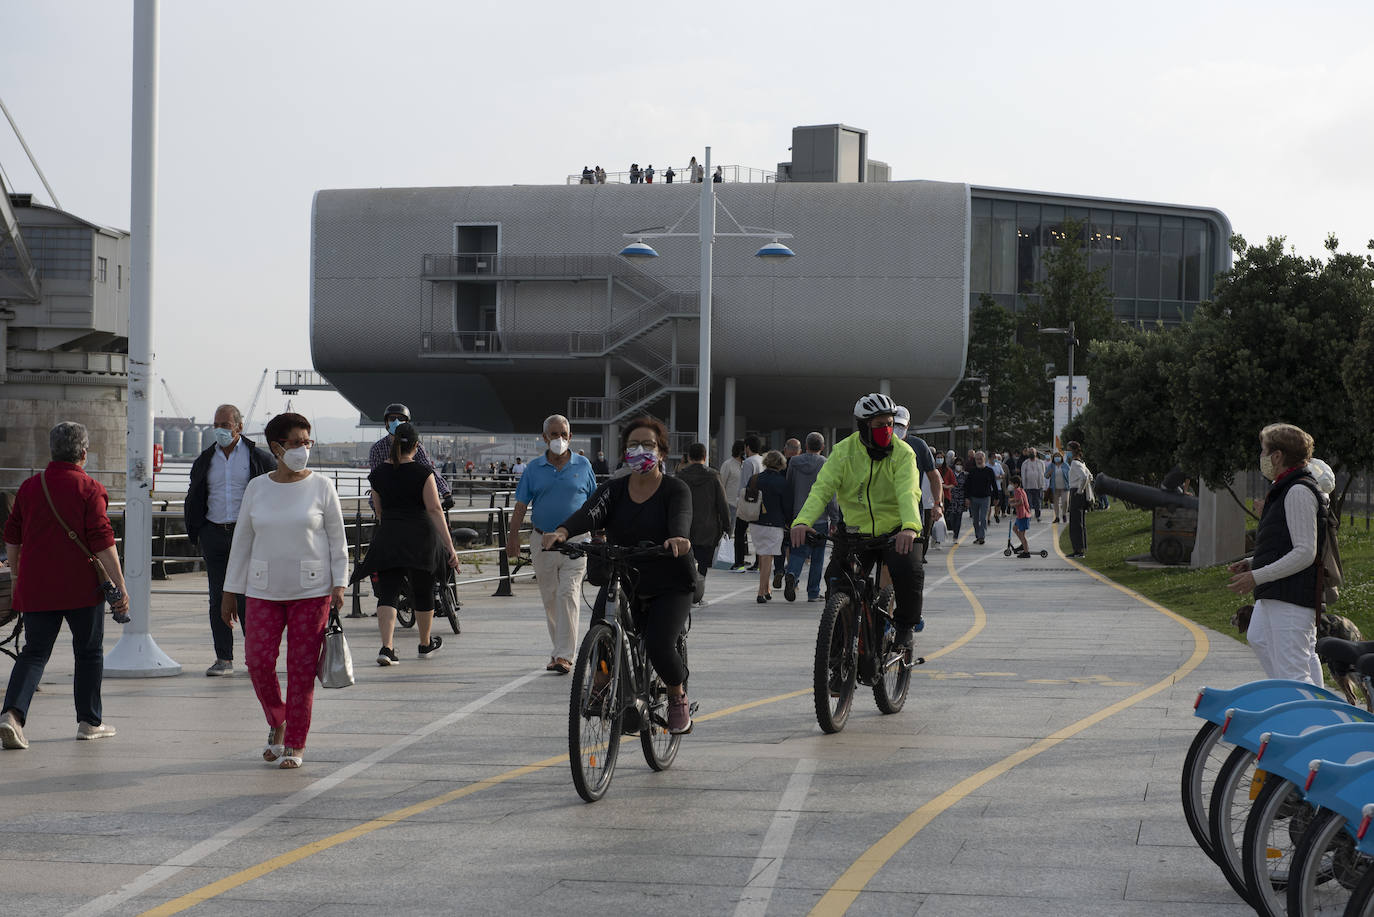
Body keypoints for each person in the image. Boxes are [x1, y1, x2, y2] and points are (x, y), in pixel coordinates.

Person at [542, 416, 696, 734]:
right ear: (625, 452)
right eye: (633, 445)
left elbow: (681, 517)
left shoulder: (674, 489)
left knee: (658, 643)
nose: (640, 451)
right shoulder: (613, 491)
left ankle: (677, 696)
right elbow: (590, 512)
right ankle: (601, 683)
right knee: (601, 632)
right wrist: (562, 531)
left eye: (648, 445)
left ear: (662, 453)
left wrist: (678, 538)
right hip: (624, 576)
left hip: (669, 581)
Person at [222, 413, 349, 770]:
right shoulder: (257, 487)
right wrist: (229, 591)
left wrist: (340, 583)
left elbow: (338, 541)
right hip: (263, 589)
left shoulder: (322, 486)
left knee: (301, 669)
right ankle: (278, 721)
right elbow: (242, 542)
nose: (303, 449)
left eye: (307, 442)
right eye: (295, 442)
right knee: (257, 662)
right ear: (276, 447)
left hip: (312, 590)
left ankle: (295, 742)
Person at [0, 422, 130, 750]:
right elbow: (103, 542)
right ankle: (89, 722)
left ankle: (12, 716)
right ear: (83, 454)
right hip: (81, 587)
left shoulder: (30, 487)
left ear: (52, 450)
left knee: (34, 652)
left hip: (37, 586)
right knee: (88, 652)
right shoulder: (90, 489)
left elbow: (11, 538)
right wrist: (120, 585)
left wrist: (17, 577)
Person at [790, 393, 924, 648]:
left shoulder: (903, 453)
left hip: (895, 531)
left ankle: (905, 627)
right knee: (836, 583)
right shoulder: (843, 452)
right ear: (863, 426)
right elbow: (822, 489)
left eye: (889, 423)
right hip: (855, 533)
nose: (886, 430)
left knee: (910, 570)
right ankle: (838, 657)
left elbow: (909, 492)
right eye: (879, 425)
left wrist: (909, 527)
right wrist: (802, 521)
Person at [353, 422, 460, 665]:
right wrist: (450, 547)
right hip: (420, 537)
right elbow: (434, 509)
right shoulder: (424, 473)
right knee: (423, 590)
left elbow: (378, 510)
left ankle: (387, 648)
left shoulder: (378, 473)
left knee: (388, 592)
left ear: (392, 443)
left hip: (389, 535)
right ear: (416, 445)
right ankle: (424, 644)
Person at [1226, 424, 1324, 686]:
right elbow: (1283, 543)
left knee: (1294, 671)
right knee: (1258, 637)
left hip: (1291, 596)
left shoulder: (1298, 491)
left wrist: (1257, 575)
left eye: (1264, 450)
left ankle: (1309, 719)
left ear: (1278, 456)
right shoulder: (1284, 488)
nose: (1261, 457)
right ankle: (1300, 700)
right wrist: (1251, 563)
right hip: (1276, 592)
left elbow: (1305, 552)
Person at [185, 403, 276, 677]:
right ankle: (223, 658)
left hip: (247, 535)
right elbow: (195, 495)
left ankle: (255, 657)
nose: (220, 429)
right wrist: (199, 531)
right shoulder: (205, 460)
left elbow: (273, 493)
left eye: (225, 424)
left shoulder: (257, 458)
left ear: (238, 426)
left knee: (248, 599)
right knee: (217, 599)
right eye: (217, 424)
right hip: (214, 534)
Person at [506, 415, 599, 673]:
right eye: (554, 434)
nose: (560, 439)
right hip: (542, 540)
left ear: (570, 436)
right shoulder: (534, 469)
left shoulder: (583, 465)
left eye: (564, 434)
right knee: (550, 597)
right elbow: (521, 505)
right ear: (545, 437)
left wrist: (601, 534)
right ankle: (559, 651)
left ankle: (564, 656)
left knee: (567, 593)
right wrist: (513, 536)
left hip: (577, 541)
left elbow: (595, 503)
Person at [783, 432, 834, 602]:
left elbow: (789, 487)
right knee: (818, 557)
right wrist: (835, 519)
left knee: (798, 551)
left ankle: (792, 574)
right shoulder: (826, 464)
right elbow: (830, 494)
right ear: (822, 447)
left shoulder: (794, 462)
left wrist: (789, 515)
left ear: (805, 446)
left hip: (798, 517)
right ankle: (813, 592)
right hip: (819, 518)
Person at [368, 403, 452, 505]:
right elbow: (376, 478)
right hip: (387, 501)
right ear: (386, 422)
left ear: (407, 423)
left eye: (400, 418)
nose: (396, 422)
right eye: (392, 418)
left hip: (412, 498)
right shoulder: (377, 449)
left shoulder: (416, 446)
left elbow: (429, 470)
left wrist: (445, 492)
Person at [677, 442, 729, 596]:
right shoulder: (713, 475)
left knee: (686, 561)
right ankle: (698, 593)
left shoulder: (681, 476)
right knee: (703, 564)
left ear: (689, 457)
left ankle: (688, 590)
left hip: (685, 527)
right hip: (708, 528)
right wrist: (727, 526)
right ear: (705, 457)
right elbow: (722, 503)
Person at [893, 406, 943, 558]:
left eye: (901, 425)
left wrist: (937, 504)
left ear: (908, 425)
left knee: (911, 560)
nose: (897, 428)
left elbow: (934, 476)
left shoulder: (919, 446)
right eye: (894, 424)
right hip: (883, 510)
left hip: (911, 509)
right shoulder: (879, 445)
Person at [750, 451, 791, 603]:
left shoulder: (755, 479)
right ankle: (761, 592)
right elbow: (787, 506)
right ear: (781, 464)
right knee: (768, 557)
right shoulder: (782, 482)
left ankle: (766, 588)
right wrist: (789, 522)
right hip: (774, 523)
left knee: (762, 554)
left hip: (755, 522)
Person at [734, 436, 765, 571]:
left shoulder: (748, 462)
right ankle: (758, 563)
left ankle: (739, 562)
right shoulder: (763, 460)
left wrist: (738, 500)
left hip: (748, 501)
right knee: (758, 534)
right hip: (761, 500)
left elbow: (744, 484)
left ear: (747, 447)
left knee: (740, 532)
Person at [963, 451, 997, 545]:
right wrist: (967, 498)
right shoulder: (972, 471)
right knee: (975, 519)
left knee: (983, 518)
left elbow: (994, 484)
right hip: (974, 498)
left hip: (985, 498)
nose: (979, 460)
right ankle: (977, 536)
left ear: (984, 459)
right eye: (977, 459)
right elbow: (967, 485)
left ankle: (982, 537)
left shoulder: (989, 471)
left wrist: (996, 497)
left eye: (980, 459)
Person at [1066, 440, 1092, 558]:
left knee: (1075, 523)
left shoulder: (1075, 463)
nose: (1067, 452)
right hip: (1080, 493)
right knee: (1080, 522)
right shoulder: (1082, 463)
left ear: (1073, 450)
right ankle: (1081, 548)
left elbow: (1085, 477)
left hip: (1076, 492)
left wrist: (1079, 490)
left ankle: (1078, 550)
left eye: (1068, 450)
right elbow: (1090, 476)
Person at [719, 440, 744, 567]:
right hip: (730, 503)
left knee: (741, 534)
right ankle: (724, 557)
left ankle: (738, 557)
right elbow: (722, 483)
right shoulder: (728, 464)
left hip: (743, 505)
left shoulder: (746, 464)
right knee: (728, 532)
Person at [943, 451, 965, 542]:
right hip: (952, 498)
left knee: (959, 518)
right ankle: (953, 530)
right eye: (957, 464)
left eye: (960, 464)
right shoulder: (950, 473)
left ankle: (956, 535)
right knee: (952, 517)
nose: (958, 466)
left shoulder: (965, 475)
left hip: (960, 499)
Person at [1020, 448, 1047, 523]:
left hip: (1038, 486)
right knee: (1028, 502)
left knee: (1037, 502)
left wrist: (1042, 485)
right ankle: (1028, 515)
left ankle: (1038, 516)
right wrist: (1024, 486)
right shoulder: (1025, 463)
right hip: (1028, 486)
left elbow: (1043, 474)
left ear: (1035, 453)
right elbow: (1023, 474)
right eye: (1030, 452)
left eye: (1033, 452)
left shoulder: (1040, 462)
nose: (1032, 453)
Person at [1009, 474, 1031, 556]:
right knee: (1015, 528)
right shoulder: (1020, 490)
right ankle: (1023, 545)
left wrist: (1013, 504)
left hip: (1023, 515)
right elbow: (1019, 499)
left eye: (1012, 484)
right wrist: (1012, 499)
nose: (1011, 485)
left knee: (1022, 534)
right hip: (1021, 515)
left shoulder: (1017, 491)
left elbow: (1020, 502)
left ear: (1016, 484)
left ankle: (1026, 551)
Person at [1046, 451, 1070, 523]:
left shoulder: (1065, 465)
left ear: (1061, 457)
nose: (1057, 458)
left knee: (1065, 501)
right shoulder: (1051, 465)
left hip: (1065, 487)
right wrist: (1049, 473)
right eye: (1056, 456)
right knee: (1055, 503)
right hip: (1055, 487)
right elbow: (1046, 475)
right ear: (1053, 458)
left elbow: (1070, 473)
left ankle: (1064, 514)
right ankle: (1057, 517)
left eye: (1058, 456)